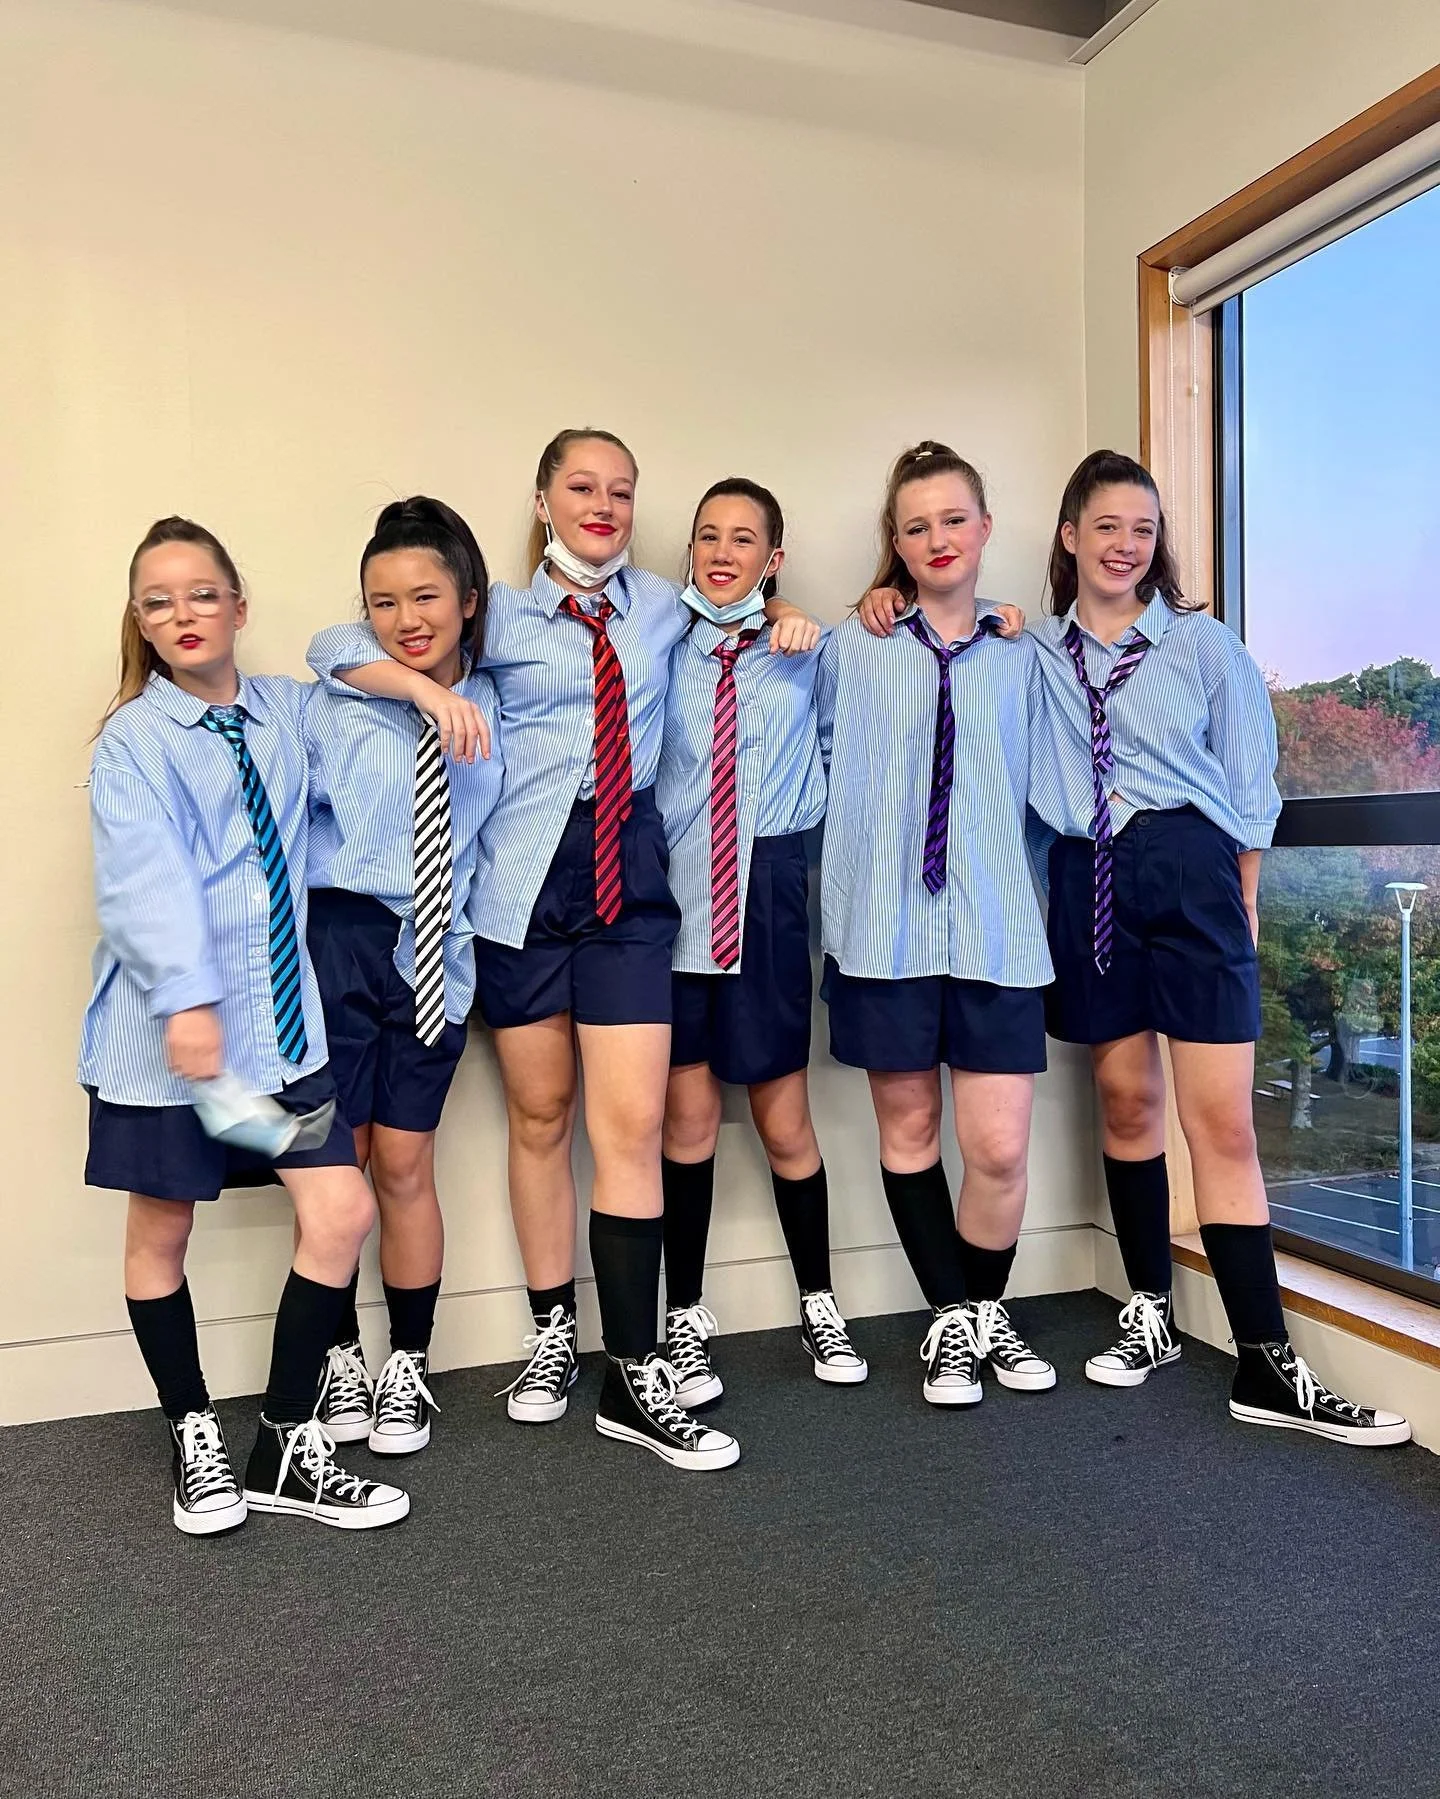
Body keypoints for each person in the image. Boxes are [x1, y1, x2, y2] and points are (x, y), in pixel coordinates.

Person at [310, 428, 818, 1469]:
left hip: (630, 882)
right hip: (521, 888)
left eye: (621, 490)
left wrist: (787, 613)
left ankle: (633, 1370)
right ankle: (551, 1335)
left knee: (632, 1125)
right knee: (541, 1118)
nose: (603, 504)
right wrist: (428, 690)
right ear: (544, 501)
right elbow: (333, 646)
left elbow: (745, 611)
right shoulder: (494, 612)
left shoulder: (666, 608)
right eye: (582, 486)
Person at [1025, 448, 1410, 1445]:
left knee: (1222, 1123)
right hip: (1088, 871)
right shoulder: (1035, 652)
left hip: (1193, 871)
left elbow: (1248, 785)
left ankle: (1265, 1359)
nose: (1125, 545)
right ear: (1069, 535)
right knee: (1125, 1098)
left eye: (1143, 529)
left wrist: (1240, 901)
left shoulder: (1203, 648)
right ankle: (1149, 1309)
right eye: (1106, 526)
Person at [81, 516, 410, 1534]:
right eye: (157, 601)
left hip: (278, 1035)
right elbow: (142, 881)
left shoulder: (286, 712)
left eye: (201, 592)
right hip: (167, 1043)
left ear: (238, 605)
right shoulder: (134, 741)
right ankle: (193, 1430)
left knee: (339, 1211)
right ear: (140, 621)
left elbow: (345, 651)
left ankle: (282, 1441)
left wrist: (437, 693)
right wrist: (185, 1001)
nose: (181, 613)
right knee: (163, 1229)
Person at [824, 443, 1056, 1408]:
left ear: (985, 527)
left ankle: (981, 1309)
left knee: (998, 1147)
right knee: (910, 1127)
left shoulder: (1027, 653)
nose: (938, 538)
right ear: (896, 540)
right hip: (885, 927)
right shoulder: (854, 645)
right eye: (916, 525)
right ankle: (954, 1323)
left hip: (998, 927)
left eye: (954, 519)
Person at [655, 477, 867, 1404]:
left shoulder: (806, 651)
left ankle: (820, 1300)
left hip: (770, 887)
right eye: (709, 535)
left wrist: (790, 617)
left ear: (773, 558)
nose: (723, 552)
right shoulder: (661, 640)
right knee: (688, 1122)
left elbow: (845, 744)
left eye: (744, 539)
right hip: (676, 896)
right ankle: (684, 1314)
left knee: (786, 1121)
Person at [302, 497, 503, 1457]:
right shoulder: (340, 694)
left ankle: (408, 1363)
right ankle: (339, 1354)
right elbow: (328, 642)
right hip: (341, 940)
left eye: (426, 595)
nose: (405, 617)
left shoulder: (503, 698)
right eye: (383, 601)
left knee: (406, 1162)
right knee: (337, 1165)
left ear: (469, 600)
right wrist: (421, 693)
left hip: (434, 948)